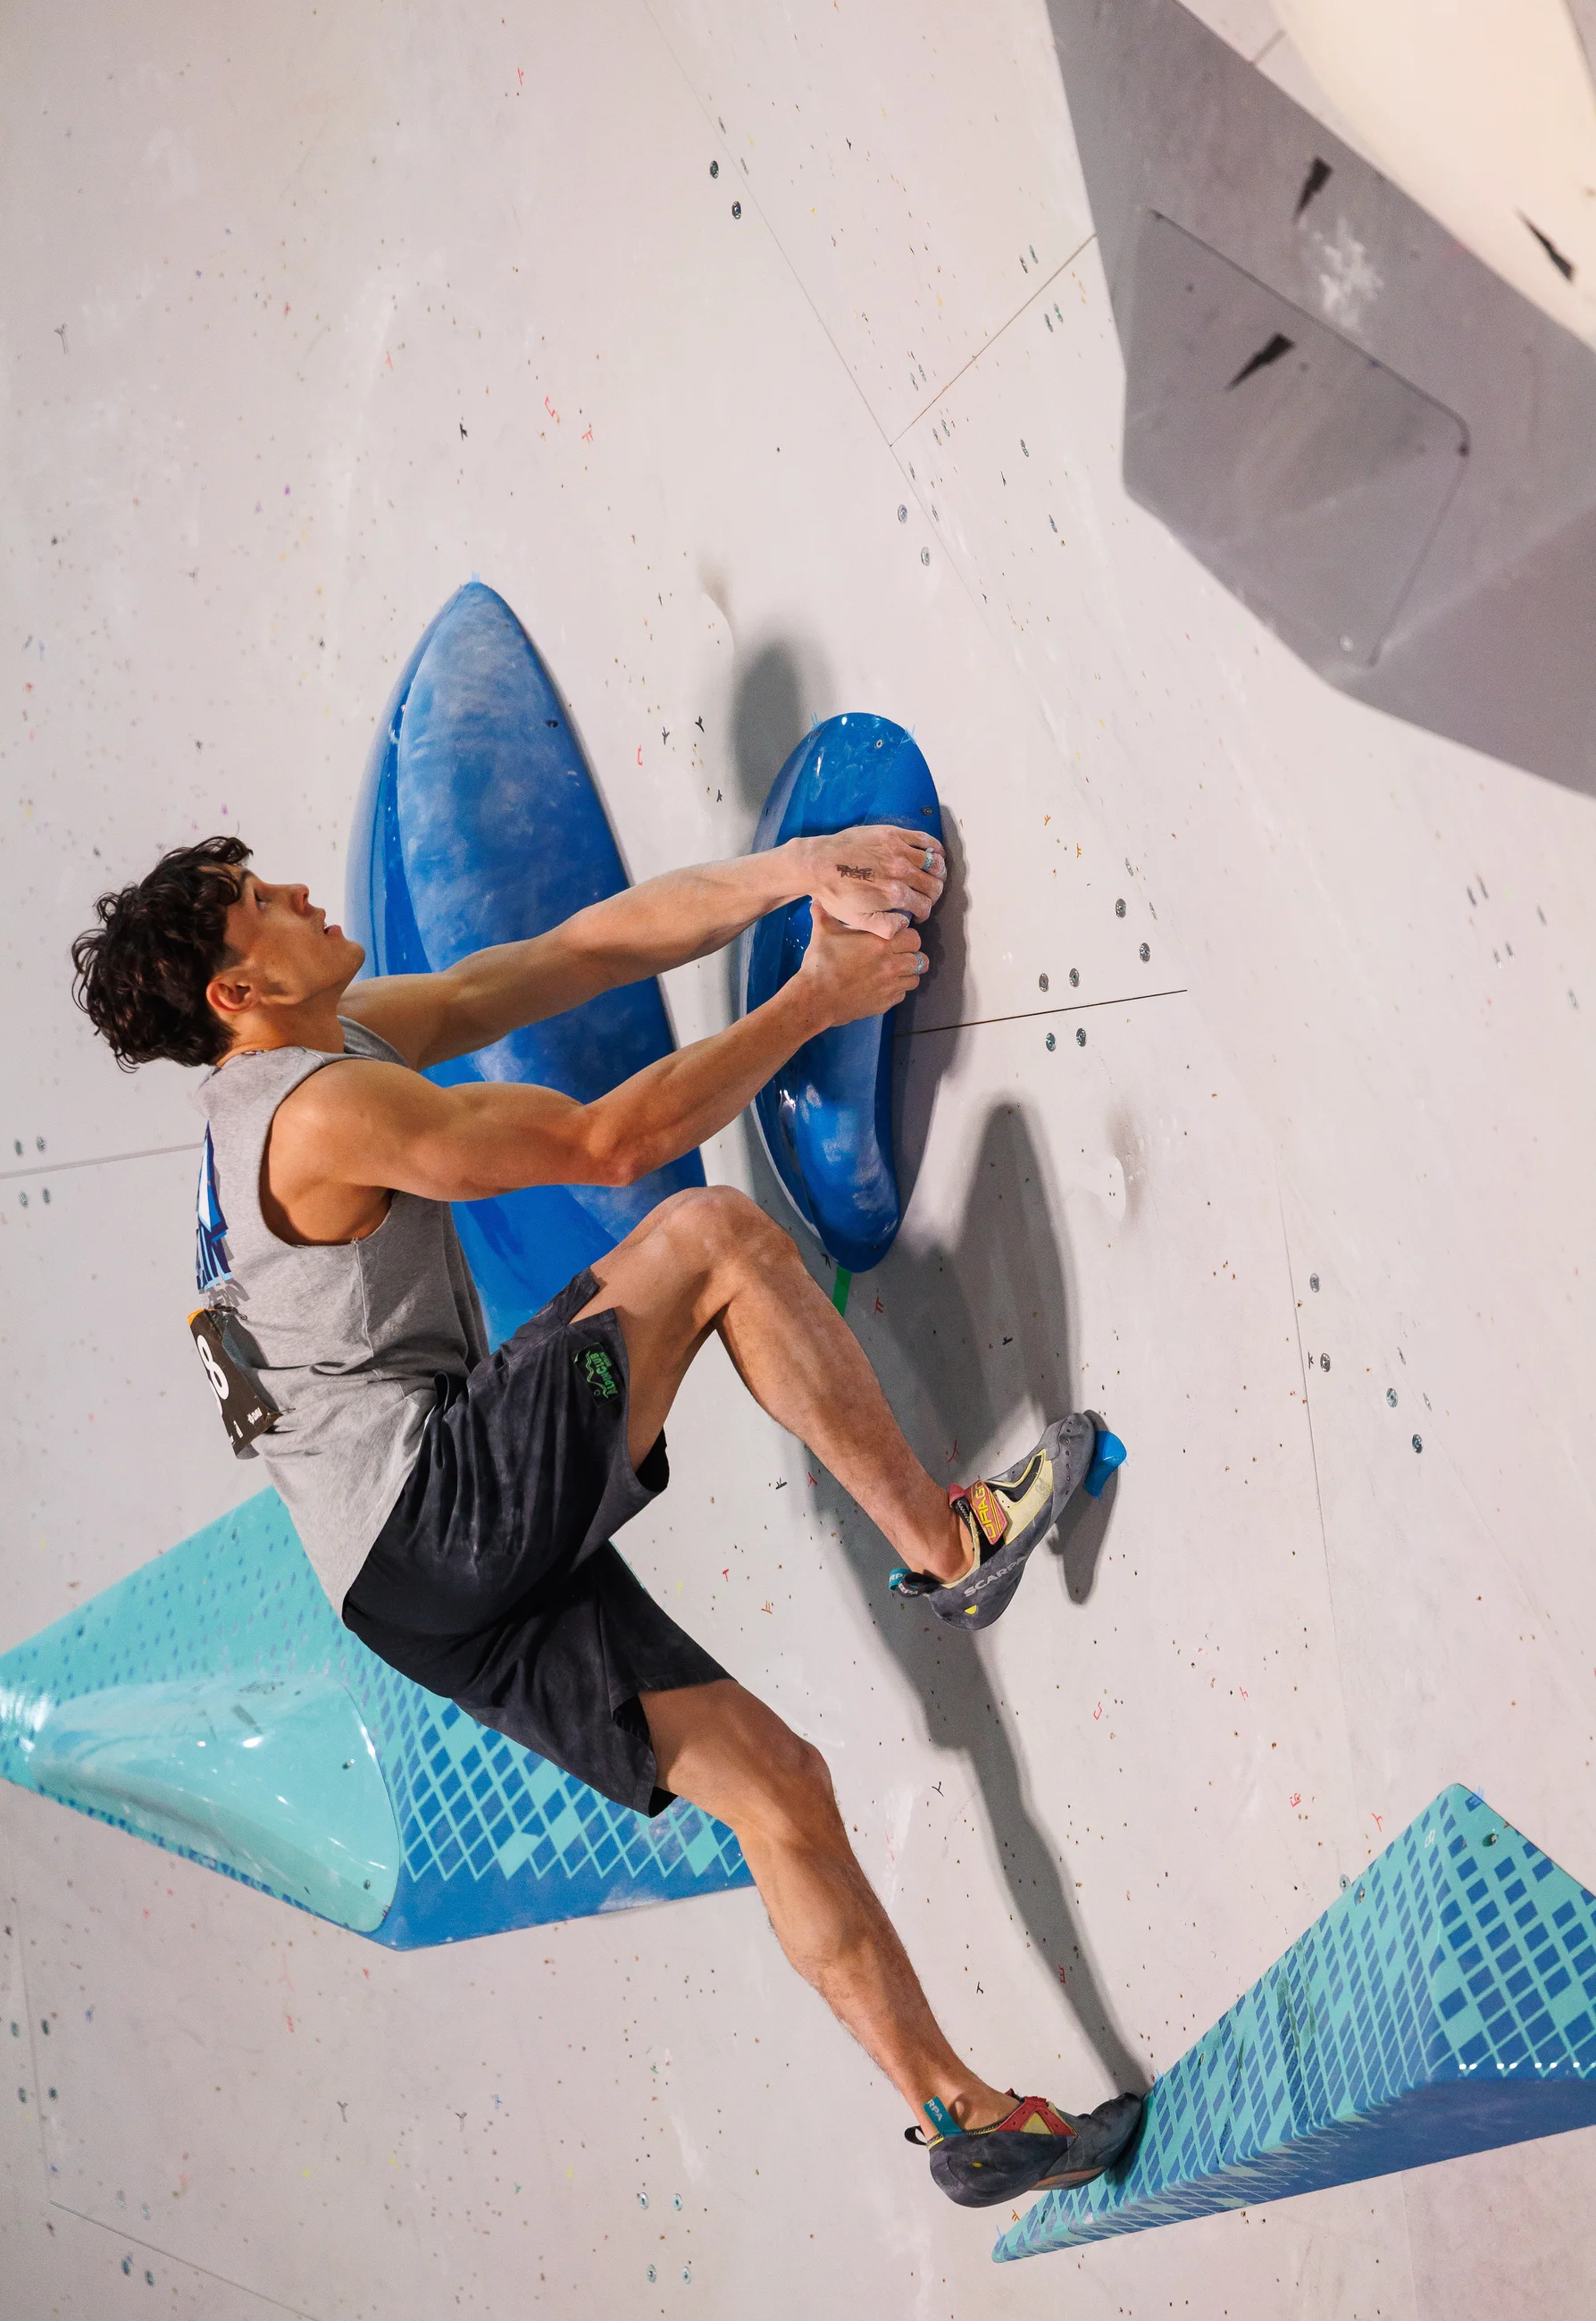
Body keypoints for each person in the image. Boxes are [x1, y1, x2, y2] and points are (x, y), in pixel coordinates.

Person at [70, 826, 1142, 2208]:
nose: (300, 895)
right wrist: (817, 997)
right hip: (437, 1506)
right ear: (237, 991)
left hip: (396, 1592)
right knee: (711, 1242)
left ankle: (959, 2114)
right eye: (265, 904)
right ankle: (953, 1548)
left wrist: (793, 868)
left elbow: (568, 956)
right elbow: (610, 1140)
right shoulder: (321, 1112)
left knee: (775, 1786)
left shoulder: (309, 1063)